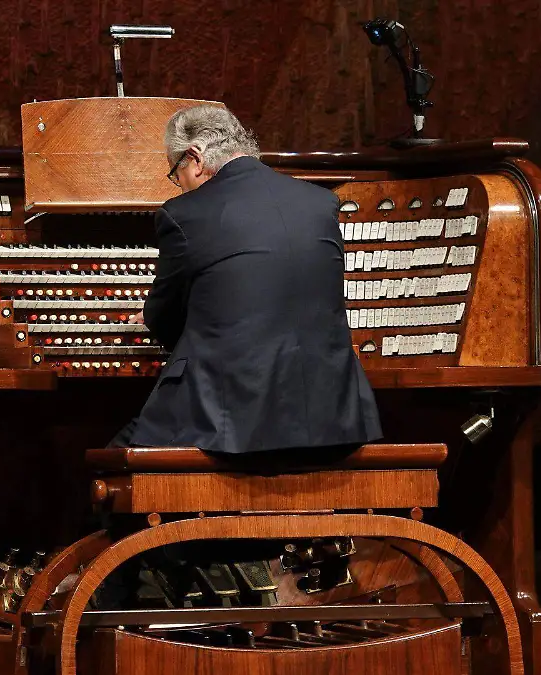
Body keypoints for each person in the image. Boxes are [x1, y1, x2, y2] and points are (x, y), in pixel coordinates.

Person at [109, 105, 381, 455]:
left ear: (194, 157)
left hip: (234, 429)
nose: (179, 187)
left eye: (175, 174)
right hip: (334, 421)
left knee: (112, 466)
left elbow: (164, 320)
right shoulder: (319, 203)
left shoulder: (184, 214)